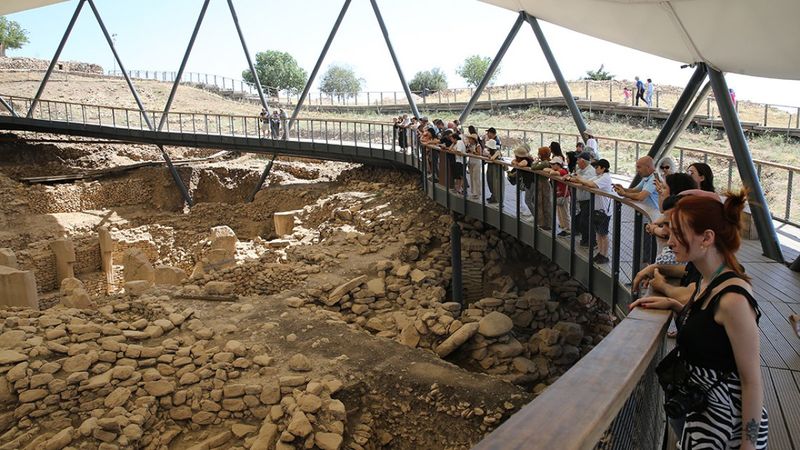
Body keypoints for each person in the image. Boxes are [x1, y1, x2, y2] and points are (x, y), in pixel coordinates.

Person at [630, 191, 769, 449]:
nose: (670, 242)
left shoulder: (733, 299)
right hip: (705, 416)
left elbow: (751, 380)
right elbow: (711, 334)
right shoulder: (708, 282)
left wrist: (748, 446)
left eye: (679, 233)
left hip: (727, 426)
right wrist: (674, 305)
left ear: (707, 237)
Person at [566, 159, 613, 263]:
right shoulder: (599, 176)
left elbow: (591, 184)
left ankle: (604, 255)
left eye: (597, 167)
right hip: (598, 209)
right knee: (598, 233)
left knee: (603, 234)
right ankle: (600, 253)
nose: (595, 169)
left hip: (604, 210)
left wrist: (578, 178)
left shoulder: (605, 178)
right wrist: (574, 178)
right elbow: (587, 181)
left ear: (603, 168)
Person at [572, 152, 596, 246]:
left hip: (589, 199)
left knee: (586, 221)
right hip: (582, 199)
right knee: (583, 220)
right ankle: (585, 239)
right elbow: (575, 177)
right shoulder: (580, 169)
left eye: (578, 160)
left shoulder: (590, 171)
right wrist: (574, 178)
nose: (577, 162)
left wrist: (575, 178)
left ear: (583, 161)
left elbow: (581, 180)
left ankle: (591, 241)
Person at [510, 144, 537, 219]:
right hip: (529, 182)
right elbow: (513, 162)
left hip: (531, 182)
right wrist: (515, 162)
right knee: (531, 200)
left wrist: (516, 163)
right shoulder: (527, 159)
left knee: (528, 200)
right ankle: (535, 216)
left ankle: (536, 217)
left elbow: (521, 164)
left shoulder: (526, 160)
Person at [529, 147, 553, 230]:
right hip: (540, 184)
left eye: (539, 153)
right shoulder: (545, 162)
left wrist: (536, 160)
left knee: (545, 204)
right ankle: (542, 222)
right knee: (540, 203)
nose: (538, 154)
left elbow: (533, 167)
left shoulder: (545, 162)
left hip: (544, 184)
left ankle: (548, 224)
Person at [548, 156, 571, 236]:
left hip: (563, 195)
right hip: (558, 194)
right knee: (560, 212)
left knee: (564, 213)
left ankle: (567, 229)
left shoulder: (562, 171)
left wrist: (551, 170)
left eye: (553, 164)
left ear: (558, 164)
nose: (551, 165)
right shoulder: (559, 170)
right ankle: (563, 226)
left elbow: (552, 173)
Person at [466, 133, 488, 199]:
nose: (469, 140)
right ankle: (473, 192)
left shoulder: (477, 145)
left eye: (470, 139)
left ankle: (478, 193)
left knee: (476, 178)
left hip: (476, 162)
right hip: (471, 161)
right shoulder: (469, 145)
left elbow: (479, 154)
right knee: (472, 177)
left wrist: (473, 151)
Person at [484, 139, 502, 203]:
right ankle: (493, 195)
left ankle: (496, 198)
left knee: (495, 183)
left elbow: (492, 158)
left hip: (496, 169)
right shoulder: (490, 152)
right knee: (490, 181)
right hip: (490, 167)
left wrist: (488, 155)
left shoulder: (497, 151)